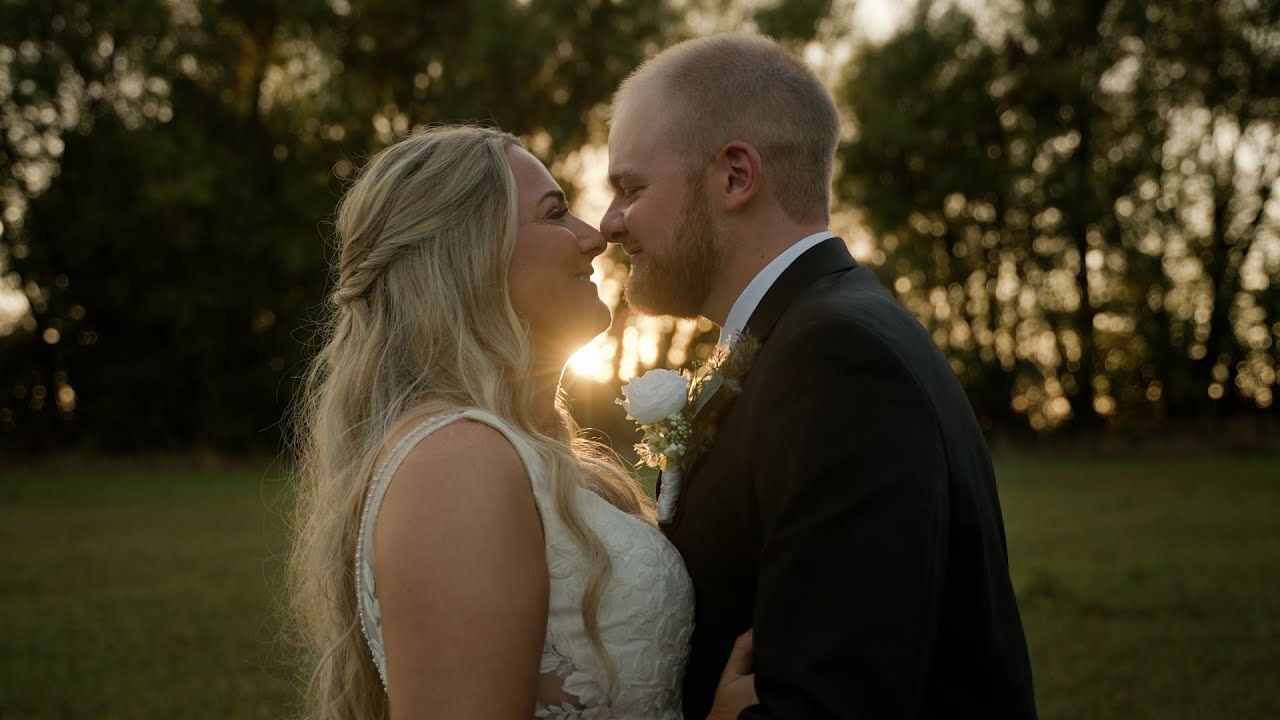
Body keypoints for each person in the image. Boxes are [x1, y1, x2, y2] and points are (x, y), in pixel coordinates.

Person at [603, 34, 1039, 719]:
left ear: (735, 177)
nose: (609, 223)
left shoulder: (835, 358)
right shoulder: (812, 333)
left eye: (630, 188)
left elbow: (834, 696)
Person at [287, 125, 755, 720]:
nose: (593, 238)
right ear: (469, 254)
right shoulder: (455, 464)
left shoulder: (510, 451)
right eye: (555, 213)